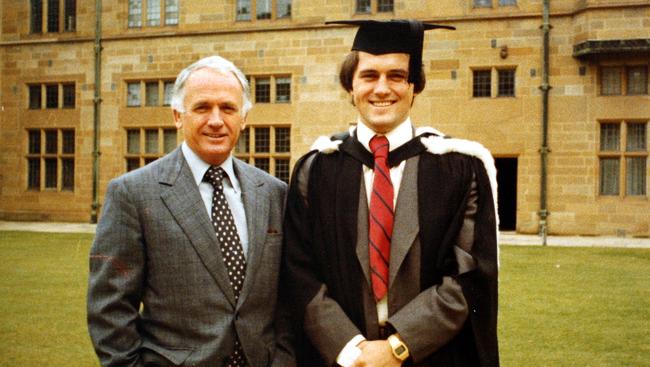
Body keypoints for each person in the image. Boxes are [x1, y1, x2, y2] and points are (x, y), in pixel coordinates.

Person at [283, 20, 500, 367]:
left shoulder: (458, 169)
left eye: (396, 76)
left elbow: (470, 276)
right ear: (350, 86)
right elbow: (298, 271)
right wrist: (351, 350)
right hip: (340, 360)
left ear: (414, 86)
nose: (382, 88)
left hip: (433, 357)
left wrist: (399, 347)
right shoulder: (316, 169)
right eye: (369, 75)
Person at [87, 55, 295, 367]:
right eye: (202, 107)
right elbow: (110, 308)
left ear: (244, 118)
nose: (216, 120)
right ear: (178, 116)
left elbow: (287, 299)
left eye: (227, 108)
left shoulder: (274, 193)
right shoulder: (133, 193)